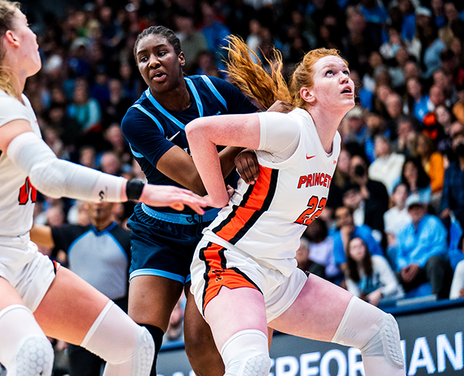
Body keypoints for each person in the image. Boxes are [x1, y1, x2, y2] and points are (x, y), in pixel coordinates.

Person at [0, 4, 206, 376]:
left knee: (133, 345)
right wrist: (141, 191)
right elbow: (47, 175)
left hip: (19, 257)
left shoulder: (17, 102)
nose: (36, 36)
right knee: (33, 355)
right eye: (28, 26)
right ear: (11, 38)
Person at [185, 36, 406, 376]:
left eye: (346, 71)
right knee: (252, 364)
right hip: (230, 261)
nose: (345, 77)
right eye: (331, 73)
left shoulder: (334, 144)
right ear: (308, 93)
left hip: (281, 276)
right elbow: (199, 131)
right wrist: (216, 198)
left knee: (381, 331)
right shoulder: (289, 128)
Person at [121, 25, 268, 375]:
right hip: (160, 231)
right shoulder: (137, 120)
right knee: (136, 345)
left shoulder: (215, 90)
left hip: (215, 231)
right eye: (143, 58)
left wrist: (252, 144)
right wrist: (241, 145)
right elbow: (198, 180)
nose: (153, 62)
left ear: (180, 57)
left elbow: (264, 122)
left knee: (200, 344)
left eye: (161, 52)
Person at [30, 200, 131, 376]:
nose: (98, 204)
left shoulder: (127, 238)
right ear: (85, 204)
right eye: (94, 199)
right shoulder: (72, 233)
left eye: (104, 199)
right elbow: (32, 233)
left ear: (114, 205)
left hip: (118, 319)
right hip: (81, 323)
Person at [392, 197, 452, 299]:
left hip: (429, 265)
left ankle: (437, 299)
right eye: (412, 209)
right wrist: (404, 267)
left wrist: (419, 263)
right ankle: (401, 307)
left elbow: (441, 247)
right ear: (408, 212)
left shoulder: (433, 222)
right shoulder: (403, 231)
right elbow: (400, 255)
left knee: (434, 261)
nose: (415, 211)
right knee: (394, 276)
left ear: (424, 209)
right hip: (411, 269)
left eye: (418, 208)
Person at [345, 237, 405, 306]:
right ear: (349, 253)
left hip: (394, 301)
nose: (358, 249)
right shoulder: (349, 272)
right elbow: (354, 295)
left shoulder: (378, 261)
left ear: (366, 248)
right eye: (354, 247)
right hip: (373, 307)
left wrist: (380, 293)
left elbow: (393, 285)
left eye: (361, 246)